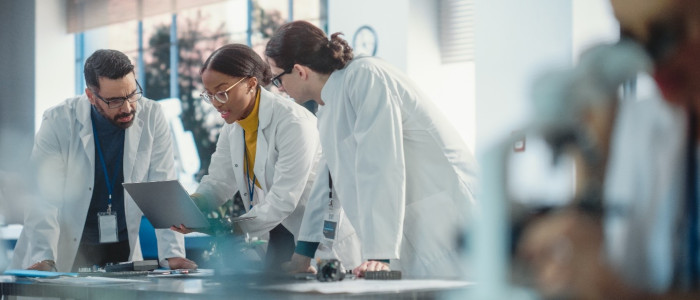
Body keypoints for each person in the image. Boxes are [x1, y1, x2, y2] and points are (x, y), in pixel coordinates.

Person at [265, 20, 479, 278]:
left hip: (441, 217)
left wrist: (379, 254)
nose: (279, 89)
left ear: (299, 71)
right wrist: (303, 253)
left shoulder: (365, 76)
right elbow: (328, 182)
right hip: (410, 229)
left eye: (278, 78)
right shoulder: (329, 106)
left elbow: (380, 163)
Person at [518, 0, 700, 298]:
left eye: (665, 32)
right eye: (629, 35)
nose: (648, 57)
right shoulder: (645, 125)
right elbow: (618, 266)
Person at [170, 44, 360, 271]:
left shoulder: (292, 123)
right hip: (276, 237)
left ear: (251, 83)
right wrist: (194, 205)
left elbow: (282, 201)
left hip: (319, 239)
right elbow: (219, 182)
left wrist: (225, 226)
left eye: (222, 92)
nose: (215, 103)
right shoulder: (233, 128)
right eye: (209, 95)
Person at [9, 49, 196, 272]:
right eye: (115, 100)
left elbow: (162, 189)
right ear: (91, 96)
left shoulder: (153, 116)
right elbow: (43, 198)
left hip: (123, 246)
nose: (127, 108)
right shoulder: (58, 120)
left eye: (132, 94)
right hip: (67, 247)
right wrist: (45, 257)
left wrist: (173, 254)